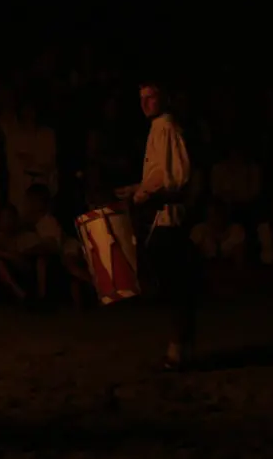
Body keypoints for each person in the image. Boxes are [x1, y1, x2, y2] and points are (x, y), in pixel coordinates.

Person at [116, 81, 197, 371]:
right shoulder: (158, 129)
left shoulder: (167, 129)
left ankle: (179, 350)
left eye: (151, 97)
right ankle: (181, 348)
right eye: (142, 98)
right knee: (173, 284)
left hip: (169, 218)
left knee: (175, 285)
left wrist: (145, 196)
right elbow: (160, 176)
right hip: (161, 216)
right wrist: (137, 188)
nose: (145, 103)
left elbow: (177, 180)